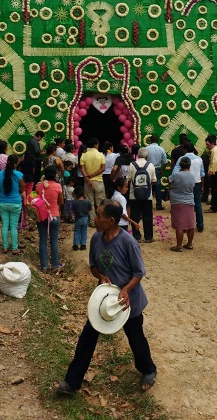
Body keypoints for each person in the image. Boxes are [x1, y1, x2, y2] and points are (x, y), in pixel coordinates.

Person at [57, 199, 157, 395]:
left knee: (136, 338)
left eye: (99, 216)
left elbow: (139, 273)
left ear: (111, 220)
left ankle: (148, 370)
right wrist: (100, 276)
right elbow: (93, 266)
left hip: (128, 300)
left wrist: (125, 290)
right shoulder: (96, 238)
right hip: (104, 299)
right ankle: (72, 382)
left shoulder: (128, 242)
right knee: (87, 337)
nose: (95, 219)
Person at [35, 165, 63, 272]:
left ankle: (44, 266)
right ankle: (55, 265)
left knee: (43, 240)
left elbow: (36, 198)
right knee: (54, 240)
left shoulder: (39, 186)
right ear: (55, 174)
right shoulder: (57, 186)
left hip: (42, 216)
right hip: (54, 215)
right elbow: (61, 202)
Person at [0, 154, 25, 255]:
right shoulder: (19, 175)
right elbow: (22, 189)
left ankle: (5, 247)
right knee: (13, 226)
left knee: (4, 225)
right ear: (15, 164)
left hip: (3, 203)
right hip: (15, 203)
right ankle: (15, 248)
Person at [127, 147, 157, 243]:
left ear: (138, 155)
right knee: (147, 216)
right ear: (146, 156)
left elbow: (129, 179)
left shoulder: (132, 164)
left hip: (134, 195)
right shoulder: (151, 165)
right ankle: (148, 237)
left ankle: (136, 236)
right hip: (147, 195)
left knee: (135, 216)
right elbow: (153, 180)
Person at [173, 142, 205, 232]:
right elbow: (202, 174)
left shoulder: (182, 159)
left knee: (185, 204)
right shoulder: (199, 159)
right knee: (198, 204)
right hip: (196, 183)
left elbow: (175, 172)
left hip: (184, 183)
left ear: (185, 150)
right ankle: (200, 225)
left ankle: (185, 225)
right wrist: (202, 186)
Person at [169, 156, 196, 252]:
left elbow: (168, 181)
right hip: (189, 201)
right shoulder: (192, 175)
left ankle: (179, 245)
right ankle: (189, 244)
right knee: (190, 224)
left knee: (179, 225)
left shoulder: (176, 175)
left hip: (177, 201)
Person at [80, 138, 106, 208]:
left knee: (89, 203)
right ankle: (101, 217)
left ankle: (91, 219)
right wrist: (93, 175)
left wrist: (88, 179)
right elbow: (103, 168)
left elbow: (82, 169)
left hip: (87, 182)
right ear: (95, 145)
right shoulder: (101, 155)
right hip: (99, 181)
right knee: (100, 203)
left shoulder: (83, 155)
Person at [146, 135, 167, 210]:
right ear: (157, 140)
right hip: (157, 169)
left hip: (148, 169)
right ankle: (159, 205)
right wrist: (162, 170)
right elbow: (165, 162)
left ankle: (148, 205)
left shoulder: (146, 149)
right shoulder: (161, 149)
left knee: (148, 186)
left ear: (150, 141)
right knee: (158, 187)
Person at [204, 135, 217, 214]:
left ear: (212, 143)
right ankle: (215, 206)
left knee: (215, 191)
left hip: (215, 173)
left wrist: (211, 171)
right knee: (216, 190)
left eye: (207, 144)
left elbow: (214, 161)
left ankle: (214, 207)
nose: (207, 146)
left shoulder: (214, 151)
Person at [72, 185, 92, 251]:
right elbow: (91, 209)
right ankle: (83, 245)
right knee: (84, 231)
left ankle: (75, 245)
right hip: (86, 218)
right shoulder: (87, 202)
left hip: (78, 219)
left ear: (75, 194)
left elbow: (73, 211)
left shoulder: (74, 203)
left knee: (77, 231)